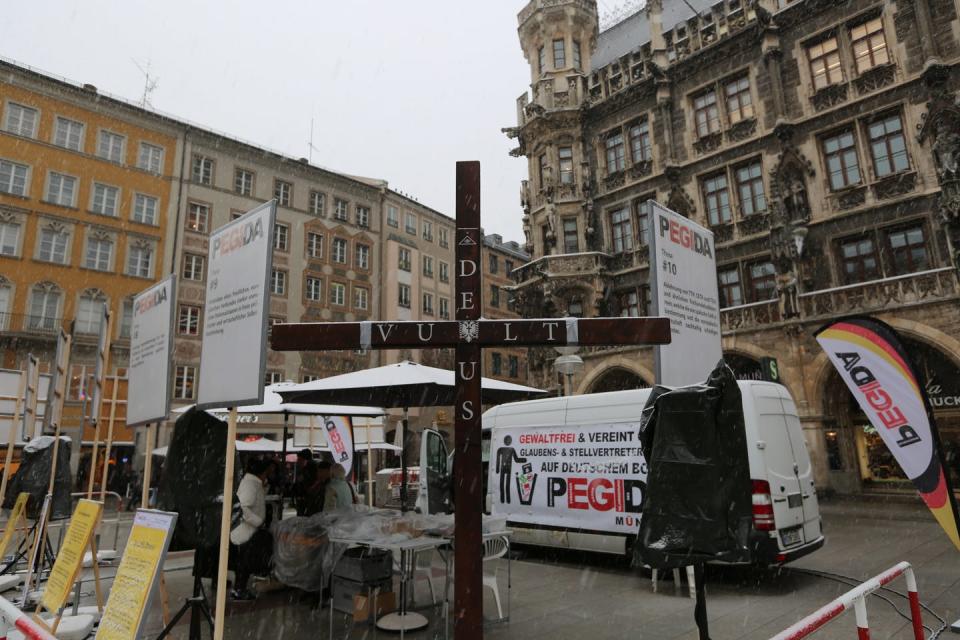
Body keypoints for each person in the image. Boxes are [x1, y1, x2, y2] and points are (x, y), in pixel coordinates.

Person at [230, 458, 272, 601]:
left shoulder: (253, 483)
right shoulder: (250, 484)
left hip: (247, 531)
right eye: (267, 472)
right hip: (245, 532)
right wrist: (258, 521)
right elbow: (243, 507)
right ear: (261, 472)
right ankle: (239, 590)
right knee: (244, 564)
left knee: (243, 564)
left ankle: (239, 589)